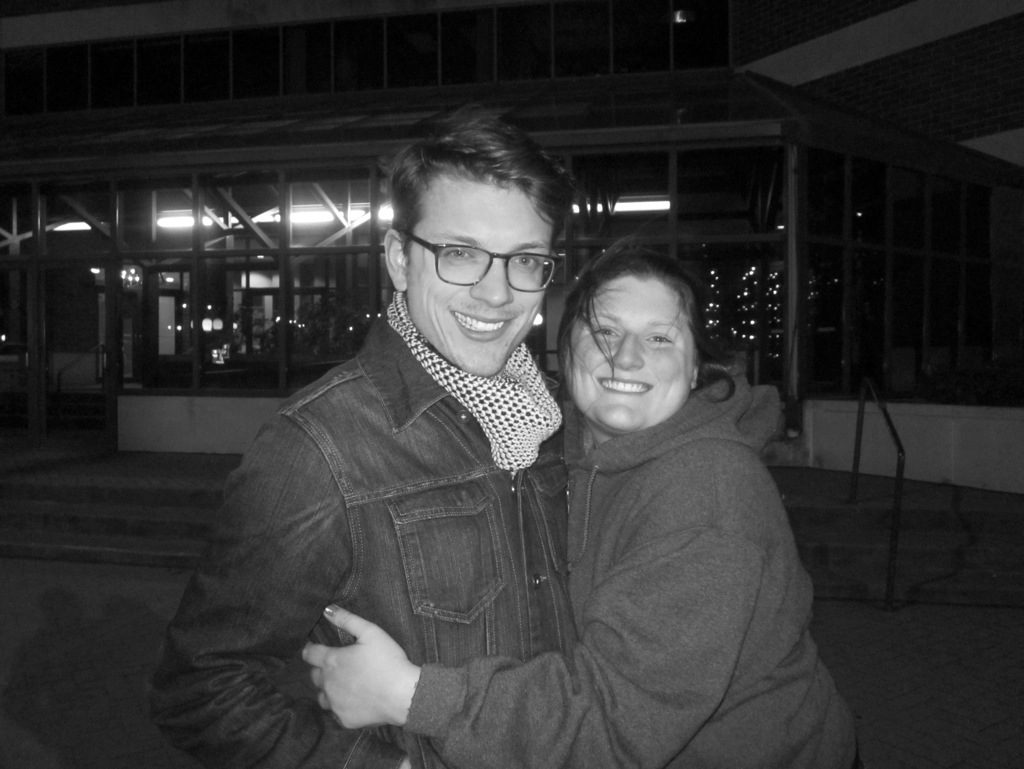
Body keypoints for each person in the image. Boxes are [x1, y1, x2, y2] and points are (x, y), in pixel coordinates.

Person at [304, 242, 860, 768]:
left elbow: (616, 724)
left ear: (695, 369)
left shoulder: (708, 488)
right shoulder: (546, 448)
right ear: (567, 350)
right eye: (605, 331)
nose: (627, 357)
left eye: (660, 339)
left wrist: (408, 694)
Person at [149, 107, 578, 769]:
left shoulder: (552, 421)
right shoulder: (319, 447)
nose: (496, 293)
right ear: (400, 260)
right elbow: (201, 686)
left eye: (525, 260)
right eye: (460, 254)